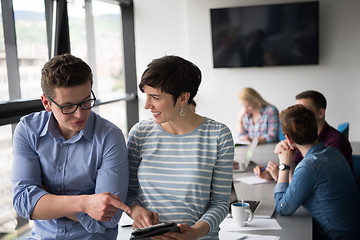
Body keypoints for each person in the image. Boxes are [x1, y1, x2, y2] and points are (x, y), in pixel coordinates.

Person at [12, 53, 130, 239]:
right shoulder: (28, 130)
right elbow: (22, 203)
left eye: (85, 102)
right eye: (67, 107)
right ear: (46, 103)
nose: (79, 114)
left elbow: (108, 217)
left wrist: (45, 198)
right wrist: (85, 203)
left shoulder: (110, 136)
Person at [126, 55, 234, 239]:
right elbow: (129, 191)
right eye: (146, 95)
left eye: (155, 97)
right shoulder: (139, 133)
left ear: (183, 98)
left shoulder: (218, 135)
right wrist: (136, 211)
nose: (146, 105)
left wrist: (195, 232)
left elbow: (220, 202)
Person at [273, 104, 360, 240]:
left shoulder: (309, 166)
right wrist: (290, 163)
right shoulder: (333, 153)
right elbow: (294, 191)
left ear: (288, 138)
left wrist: (283, 165)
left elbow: (282, 208)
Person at [254, 90, 353, 180]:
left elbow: (311, 183)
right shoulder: (299, 138)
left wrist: (280, 176)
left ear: (321, 113)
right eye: (297, 110)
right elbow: (297, 173)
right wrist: (274, 171)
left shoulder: (336, 142)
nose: (298, 115)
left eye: (304, 111)